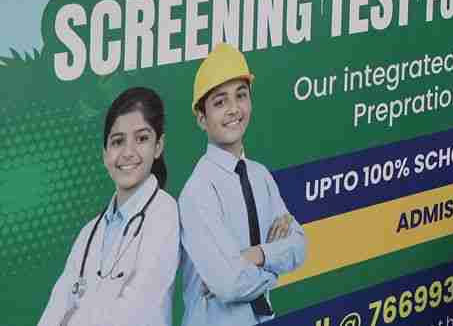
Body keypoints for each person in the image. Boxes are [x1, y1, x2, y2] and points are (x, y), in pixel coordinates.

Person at [179, 44, 306, 325]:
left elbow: (299, 246)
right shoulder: (198, 191)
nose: (234, 109)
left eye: (241, 95)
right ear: (202, 118)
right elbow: (229, 284)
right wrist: (274, 266)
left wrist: (254, 255)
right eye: (220, 102)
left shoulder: (260, 176)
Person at [38, 88, 180, 326]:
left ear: (158, 146)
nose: (128, 152)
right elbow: (54, 310)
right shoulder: (89, 233)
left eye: (141, 138)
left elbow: (136, 312)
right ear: (105, 154)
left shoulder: (164, 213)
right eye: (117, 141)